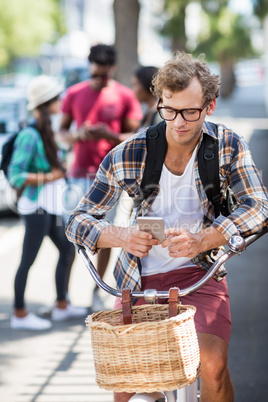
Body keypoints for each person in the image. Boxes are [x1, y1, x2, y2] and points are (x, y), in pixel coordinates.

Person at [65, 51, 268, 401]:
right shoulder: (130, 153)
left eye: (191, 112)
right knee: (125, 385)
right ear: (159, 103)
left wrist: (206, 238)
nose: (179, 123)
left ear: (210, 106)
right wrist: (122, 236)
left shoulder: (227, 146)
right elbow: (77, 221)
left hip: (200, 277)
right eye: (169, 110)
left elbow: (260, 206)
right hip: (137, 282)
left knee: (213, 365)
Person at [59, 43, 143, 312]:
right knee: (72, 237)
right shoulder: (73, 93)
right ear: (89, 67)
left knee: (106, 236)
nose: (98, 79)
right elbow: (61, 132)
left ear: (112, 69)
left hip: (113, 180)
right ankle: (64, 298)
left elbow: (136, 136)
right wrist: (77, 136)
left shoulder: (125, 96)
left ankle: (97, 291)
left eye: (103, 75)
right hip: (79, 175)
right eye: (94, 74)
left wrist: (107, 135)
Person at [8, 75, 87, 331]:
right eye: (56, 98)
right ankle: (19, 314)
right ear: (46, 103)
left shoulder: (46, 130)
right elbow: (16, 175)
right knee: (27, 260)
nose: (61, 101)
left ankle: (61, 305)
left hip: (49, 207)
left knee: (67, 251)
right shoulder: (30, 135)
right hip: (37, 209)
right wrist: (50, 176)